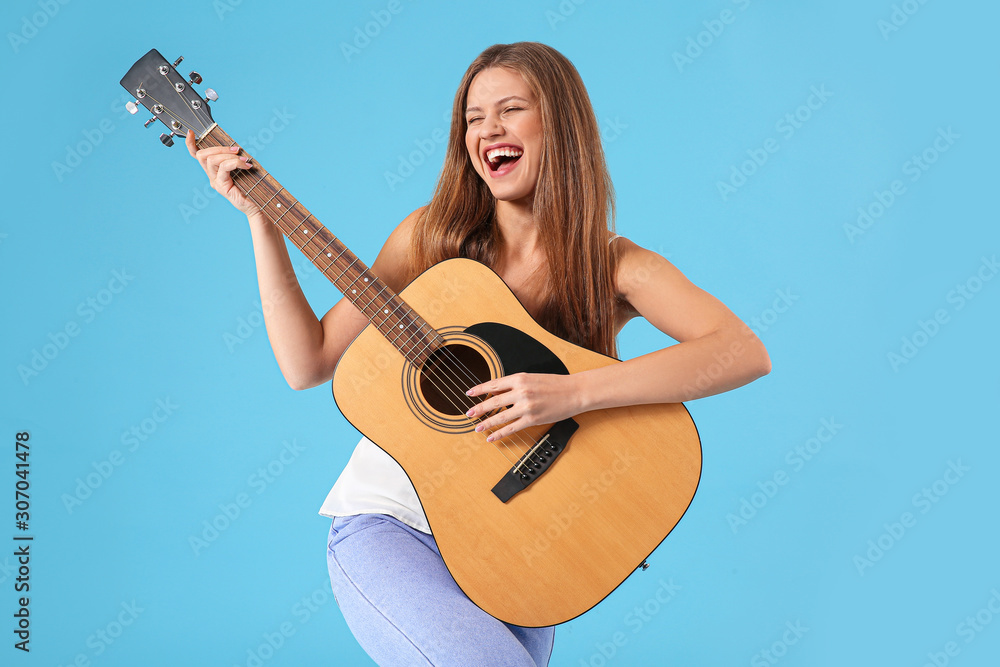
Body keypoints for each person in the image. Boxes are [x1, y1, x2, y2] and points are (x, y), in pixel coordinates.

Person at [187, 41, 770, 667]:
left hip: (525, 539)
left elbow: (740, 351)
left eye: (511, 109)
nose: (488, 129)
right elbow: (309, 363)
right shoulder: (430, 238)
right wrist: (261, 223)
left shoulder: (615, 266)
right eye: (473, 117)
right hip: (395, 527)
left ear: (561, 127)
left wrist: (571, 393)